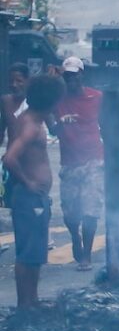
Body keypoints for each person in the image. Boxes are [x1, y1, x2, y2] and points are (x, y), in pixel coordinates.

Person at [4, 74, 65, 309]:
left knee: (34, 253)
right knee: (29, 253)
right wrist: (28, 182)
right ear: (52, 101)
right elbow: (10, 158)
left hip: (34, 197)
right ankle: (25, 303)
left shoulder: (32, 119)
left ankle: (32, 300)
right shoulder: (31, 127)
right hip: (30, 198)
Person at [51, 57, 105, 272]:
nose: (71, 79)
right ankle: (75, 237)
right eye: (67, 76)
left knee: (91, 209)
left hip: (93, 159)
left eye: (75, 75)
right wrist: (58, 124)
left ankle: (87, 255)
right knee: (70, 213)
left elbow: (107, 125)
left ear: (82, 75)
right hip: (70, 162)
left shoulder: (96, 97)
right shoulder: (57, 99)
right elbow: (50, 126)